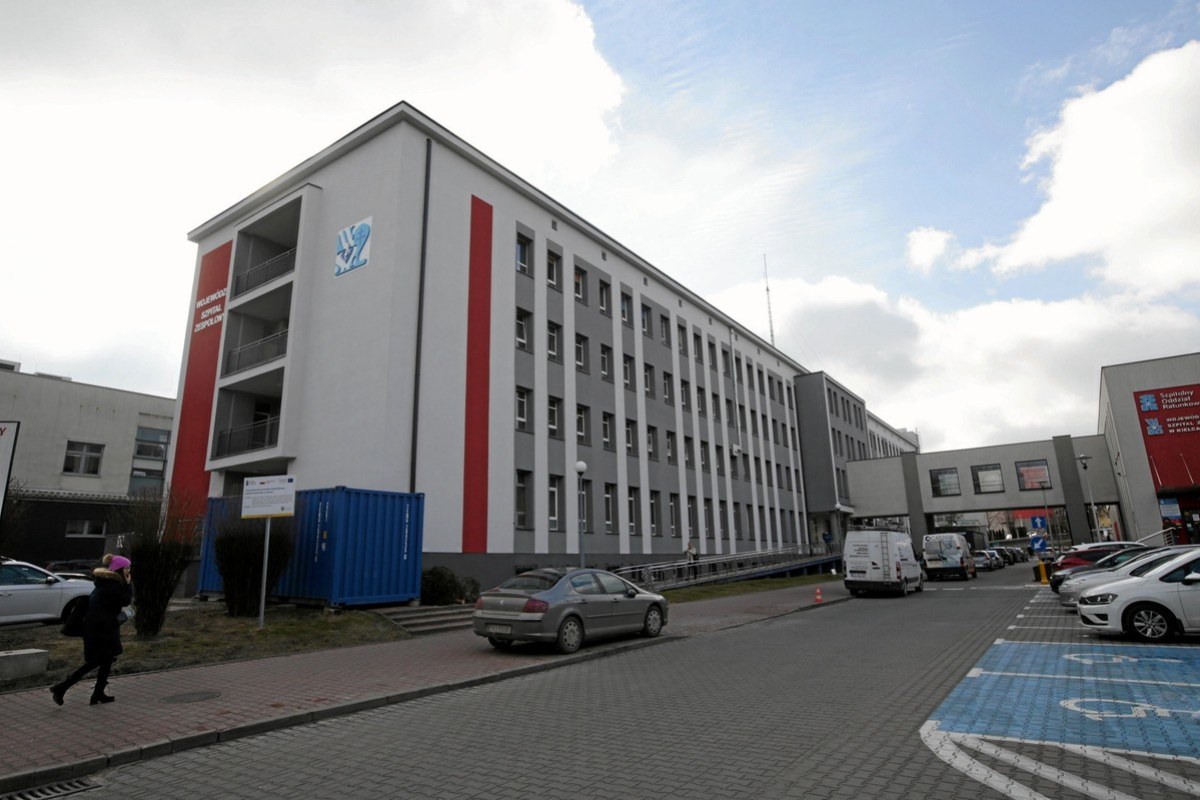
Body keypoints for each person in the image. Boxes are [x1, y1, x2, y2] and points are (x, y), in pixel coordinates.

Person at [51, 554, 133, 706]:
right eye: (127, 568)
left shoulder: (106, 583)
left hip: (100, 627)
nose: (129, 570)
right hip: (101, 629)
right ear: (120, 569)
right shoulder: (113, 585)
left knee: (107, 659)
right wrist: (128, 584)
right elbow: (126, 600)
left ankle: (98, 693)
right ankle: (61, 688)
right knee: (97, 661)